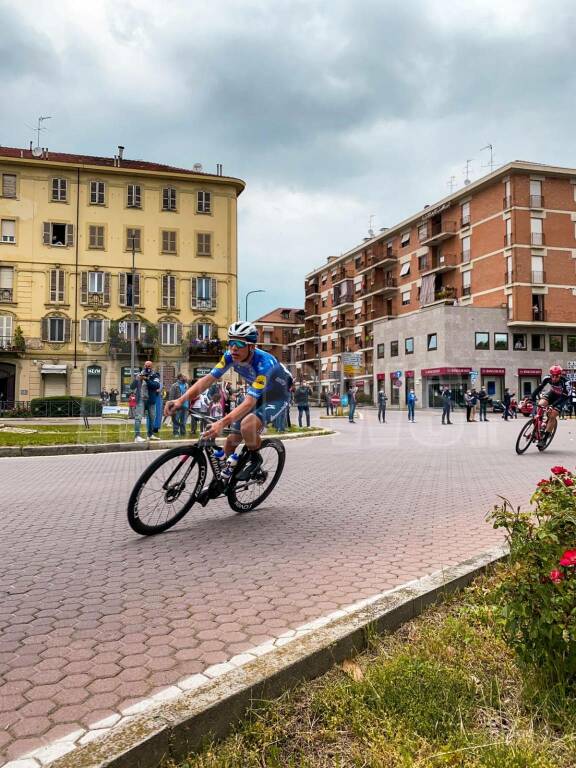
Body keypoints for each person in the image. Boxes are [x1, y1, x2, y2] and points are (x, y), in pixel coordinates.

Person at [165, 321, 292, 482]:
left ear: (251, 347)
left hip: (277, 396)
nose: (233, 348)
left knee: (247, 427)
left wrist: (221, 423)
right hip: (259, 393)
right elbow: (207, 380)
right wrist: (180, 400)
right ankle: (223, 481)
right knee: (232, 440)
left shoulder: (265, 364)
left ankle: (255, 458)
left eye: (239, 343)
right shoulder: (229, 356)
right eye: (231, 342)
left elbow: (249, 402)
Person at [530, 365, 571, 447]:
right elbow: (539, 388)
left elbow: (565, 396)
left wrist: (552, 405)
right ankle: (540, 425)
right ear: (551, 375)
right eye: (553, 376)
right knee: (540, 404)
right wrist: (532, 397)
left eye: (557, 376)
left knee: (552, 415)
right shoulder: (547, 378)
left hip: (562, 397)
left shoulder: (566, 381)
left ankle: (544, 439)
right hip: (552, 394)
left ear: (560, 375)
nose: (554, 378)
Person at [130, 360, 161, 442]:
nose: (147, 367)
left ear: (152, 367)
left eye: (149, 366)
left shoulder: (155, 375)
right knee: (138, 418)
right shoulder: (139, 374)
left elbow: (156, 385)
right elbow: (132, 387)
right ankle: (137, 437)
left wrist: (147, 379)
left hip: (151, 399)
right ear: (144, 366)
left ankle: (150, 435)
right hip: (140, 399)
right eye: (146, 366)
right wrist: (137, 379)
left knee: (152, 417)